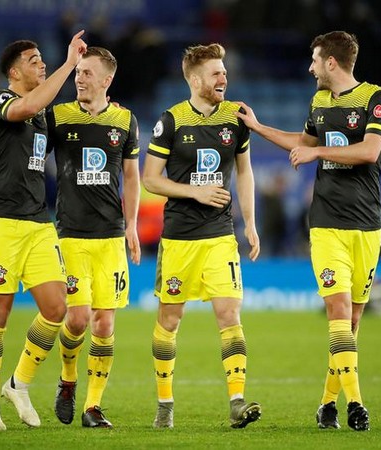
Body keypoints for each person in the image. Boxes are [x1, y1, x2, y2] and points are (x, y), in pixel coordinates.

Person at [235, 31, 381, 431]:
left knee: (351, 325)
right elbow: (299, 142)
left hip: (367, 225)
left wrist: (318, 152)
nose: (310, 68)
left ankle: (327, 404)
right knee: (338, 312)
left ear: (332, 63)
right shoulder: (318, 103)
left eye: (315, 60)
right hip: (326, 224)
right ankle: (356, 404)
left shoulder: (376, 99)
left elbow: (369, 152)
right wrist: (256, 127)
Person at [142, 43, 261, 429]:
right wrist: (194, 191)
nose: (223, 77)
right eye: (215, 72)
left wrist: (251, 223)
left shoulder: (236, 118)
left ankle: (237, 401)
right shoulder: (172, 121)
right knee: (170, 321)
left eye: (224, 71)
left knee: (229, 314)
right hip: (179, 239)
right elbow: (150, 179)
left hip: (219, 235)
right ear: (195, 80)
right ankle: (164, 404)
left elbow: (244, 172)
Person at [0, 31, 87, 431]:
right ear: (14, 70)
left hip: (38, 222)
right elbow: (26, 108)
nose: (41, 63)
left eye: (44, 58)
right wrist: (69, 64)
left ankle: (17, 384)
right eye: (35, 58)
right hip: (1, 222)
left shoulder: (41, 115)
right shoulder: (0, 100)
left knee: (58, 309)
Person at [48, 47, 141, 428]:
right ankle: (68, 380)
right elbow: (28, 150)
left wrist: (132, 225)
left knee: (104, 323)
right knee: (78, 320)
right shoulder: (58, 116)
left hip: (110, 237)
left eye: (87, 72)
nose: (79, 78)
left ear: (107, 80)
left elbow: (133, 177)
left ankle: (92, 406)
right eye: (78, 72)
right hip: (71, 234)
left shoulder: (125, 120)